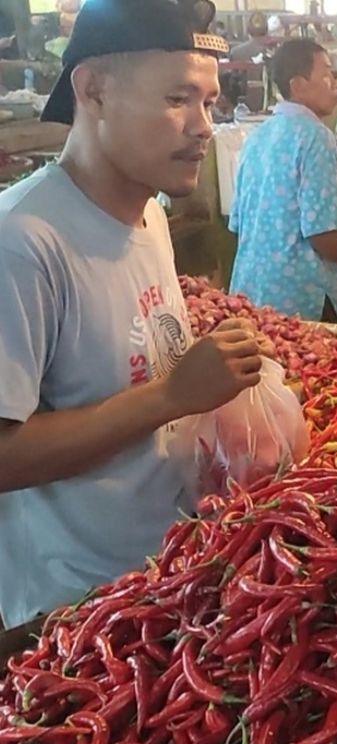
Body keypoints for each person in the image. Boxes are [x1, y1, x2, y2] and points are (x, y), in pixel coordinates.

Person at [0, 0, 269, 628]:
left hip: (165, 583)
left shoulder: (149, 212)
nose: (205, 125)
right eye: (179, 99)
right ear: (92, 91)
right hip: (72, 621)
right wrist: (172, 395)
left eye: (209, 100)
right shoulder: (24, 242)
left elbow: (137, 359)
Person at [229, 39, 337, 322]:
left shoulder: (257, 136)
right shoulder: (316, 136)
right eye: (327, 74)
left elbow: (241, 222)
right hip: (299, 301)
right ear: (298, 85)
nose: (335, 83)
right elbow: (321, 236)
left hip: (249, 296)